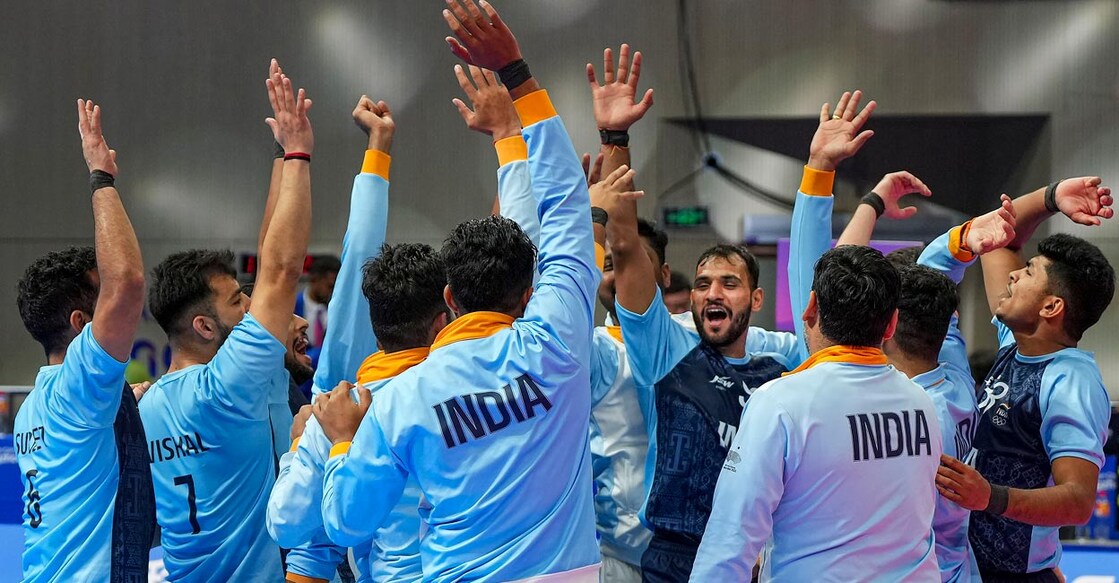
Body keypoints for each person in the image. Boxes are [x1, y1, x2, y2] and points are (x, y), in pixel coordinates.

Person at [314, 2, 605, 579]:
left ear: (448, 299)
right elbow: (569, 207)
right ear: (530, 293)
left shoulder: (401, 397)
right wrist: (518, 78)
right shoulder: (560, 340)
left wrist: (344, 442)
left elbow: (345, 524)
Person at [691, 90, 943, 581]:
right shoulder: (921, 405)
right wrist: (841, 186)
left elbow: (729, 544)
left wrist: (820, 171)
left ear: (809, 309)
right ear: (891, 324)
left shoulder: (780, 403)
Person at [606, 107, 800, 582]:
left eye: (728, 283)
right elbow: (627, 245)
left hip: (760, 555)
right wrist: (615, 134)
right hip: (676, 557)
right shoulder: (667, 350)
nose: (713, 293)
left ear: (755, 298)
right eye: (703, 284)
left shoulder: (784, 359)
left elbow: (826, 292)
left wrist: (820, 170)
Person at [138, 60, 314, 581]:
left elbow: (267, 269)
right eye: (239, 301)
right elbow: (281, 271)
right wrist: (301, 152)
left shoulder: (149, 406)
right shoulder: (228, 385)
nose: (254, 306)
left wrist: (282, 160)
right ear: (205, 328)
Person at [831, 172, 1020, 581]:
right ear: (949, 320)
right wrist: (965, 239)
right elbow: (936, 271)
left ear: (889, 321)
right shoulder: (952, 371)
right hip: (958, 566)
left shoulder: (906, 416)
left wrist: (965, 239)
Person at [932, 177, 1114, 582]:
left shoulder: (1071, 381)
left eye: (1028, 273)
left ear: (1051, 306)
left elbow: (1078, 501)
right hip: (973, 564)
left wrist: (990, 498)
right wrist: (1051, 198)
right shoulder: (1017, 344)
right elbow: (1001, 240)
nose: (1013, 276)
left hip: (1018, 575)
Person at [14, 99, 153, 582]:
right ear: (79, 323)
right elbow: (129, 282)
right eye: (100, 302)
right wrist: (101, 178)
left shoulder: (34, 407)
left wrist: (125, 408)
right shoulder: (78, 387)